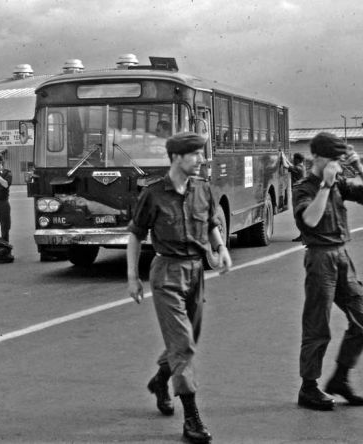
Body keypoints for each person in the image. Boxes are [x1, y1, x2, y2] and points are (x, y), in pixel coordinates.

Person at [127, 132, 232, 444]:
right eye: (195, 155)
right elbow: (135, 234)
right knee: (183, 345)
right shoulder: (154, 194)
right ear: (175, 158)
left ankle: (161, 380)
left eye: (201, 154)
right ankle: (192, 419)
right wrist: (133, 277)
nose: (201, 160)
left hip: (196, 270)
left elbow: (212, 224)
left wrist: (221, 248)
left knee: (189, 339)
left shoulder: (202, 189)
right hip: (167, 272)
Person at [293, 132, 363, 411]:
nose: (338, 165)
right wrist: (325, 185)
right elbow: (309, 220)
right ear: (317, 158)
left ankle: (340, 379)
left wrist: (360, 167)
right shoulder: (305, 187)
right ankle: (308, 389)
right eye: (334, 159)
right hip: (320, 258)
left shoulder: (340, 183)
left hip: (342, 256)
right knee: (317, 326)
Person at [281, 152, 307, 241]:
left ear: (298, 160)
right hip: (301, 193)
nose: (293, 160)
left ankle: (303, 235)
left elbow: (285, 166)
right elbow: (290, 165)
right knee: (300, 214)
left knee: (298, 215)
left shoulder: (298, 168)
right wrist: (286, 158)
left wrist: (282, 157)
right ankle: (303, 235)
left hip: (298, 194)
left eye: (294, 159)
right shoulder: (301, 167)